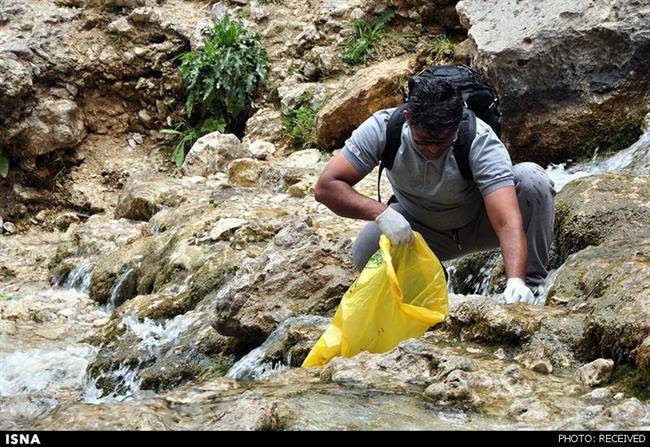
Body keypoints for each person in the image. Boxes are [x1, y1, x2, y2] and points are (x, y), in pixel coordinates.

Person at [314, 78, 555, 304]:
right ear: (408, 118)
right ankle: (434, 286)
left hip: (480, 223)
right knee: (366, 252)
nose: (432, 150)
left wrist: (515, 279)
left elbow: (506, 220)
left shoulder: (479, 139)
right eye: (424, 141)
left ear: (457, 123)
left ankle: (531, 285)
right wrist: (381, 213)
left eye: (443, 142)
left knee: (532, 179)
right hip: (421, 229)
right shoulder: (383, 128)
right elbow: (326, 186)